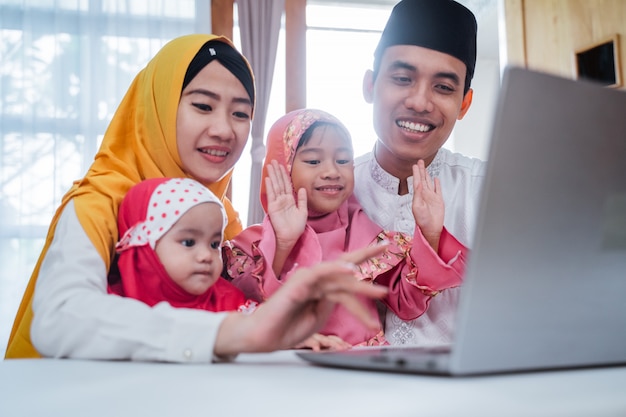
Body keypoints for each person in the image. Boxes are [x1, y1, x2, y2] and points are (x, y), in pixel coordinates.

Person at [5, 34, 388, 362]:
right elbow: (59, 315)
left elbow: (239, 310)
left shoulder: (222, 219)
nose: (223, 129)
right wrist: (228, 333)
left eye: (241, 114)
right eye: (202, 105)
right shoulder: (98, 202)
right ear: (157, 107)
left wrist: (282, 332)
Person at [224, 108, 467, 347]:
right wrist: (282, 245)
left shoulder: (364, 235)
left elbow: (407, 302)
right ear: (283, 167)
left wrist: (429, 233)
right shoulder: (252, 244)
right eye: (313, 161)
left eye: (343, 160)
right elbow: (246, 309)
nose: (331, 171)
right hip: (286, 370)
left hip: (359, 370)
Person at [353, 0, 488, 346]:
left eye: (443, 87)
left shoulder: (489, 192)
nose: (419, 102)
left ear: (464, 104)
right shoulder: (330, 189)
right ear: (370, 85)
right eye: (402, 78)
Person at [108, 177, 257, 313]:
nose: (206, 256)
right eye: (189, 242)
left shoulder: (232, 305)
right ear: (145, 247)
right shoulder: (110, 309)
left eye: (214, 244)